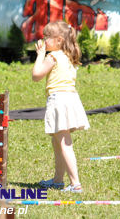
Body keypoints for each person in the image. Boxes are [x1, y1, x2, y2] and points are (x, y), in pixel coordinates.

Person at [32, 20, 89, 192]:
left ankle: (75, 183)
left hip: (59, 101)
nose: (44, 40)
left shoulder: (53, 56)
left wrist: (40, 54)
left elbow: (36, 75)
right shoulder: (68, 56)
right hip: (70, 99)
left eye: (47, 37)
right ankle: (58, 180)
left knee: (64, 144)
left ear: (58, 40)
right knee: (58, 143)